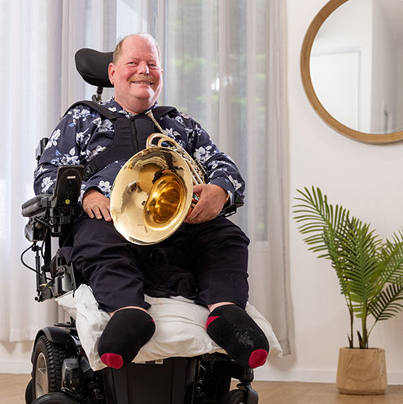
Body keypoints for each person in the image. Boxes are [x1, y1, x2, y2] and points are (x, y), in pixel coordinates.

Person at [34, 33, 268, 370]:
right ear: (113, 72)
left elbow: (225, 168)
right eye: (133, 63)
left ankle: (225, 312)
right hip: (111, 223)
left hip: (178, 226)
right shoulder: (82, 119)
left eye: (152, 64)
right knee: (94, 239)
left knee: (226, 236)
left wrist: (219, 190)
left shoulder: (180, 123)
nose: (144, 70)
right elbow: (47, 174)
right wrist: (86, 193)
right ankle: (128, 314)